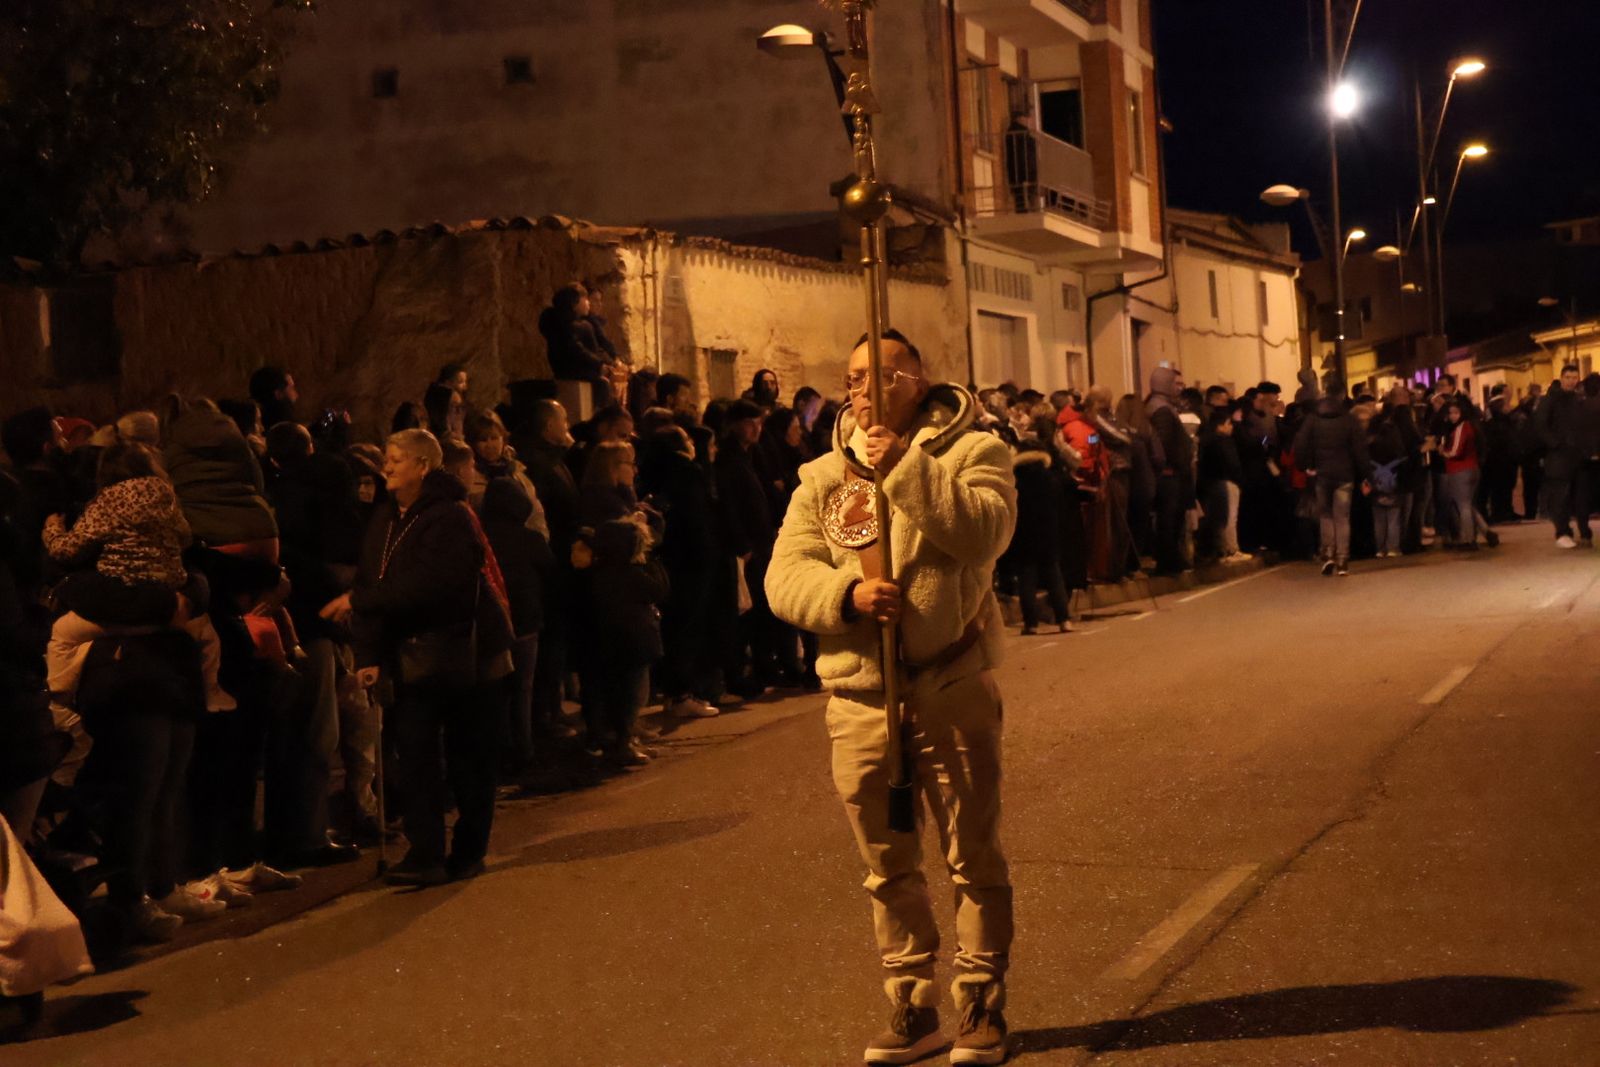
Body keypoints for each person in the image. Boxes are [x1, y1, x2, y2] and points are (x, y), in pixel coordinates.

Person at [767, 329, 1018, 1066]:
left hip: (950, 684)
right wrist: (844, 593)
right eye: (851, 379)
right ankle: (912, 1002)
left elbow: (981, 532)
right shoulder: (821, 477)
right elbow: (783, 575)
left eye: (878, 375)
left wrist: (904, 466)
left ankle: (982, 998)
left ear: (917, 377)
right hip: (859, 698)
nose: (861, 391)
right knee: (886, 864)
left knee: (971, 851)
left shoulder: (976, 452)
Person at [338, 429, 507, 887]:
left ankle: (469, 850)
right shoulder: (386, 519)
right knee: (414, 754)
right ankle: (426, 851)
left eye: (397, 459)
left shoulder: (451, 516)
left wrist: (365, 603)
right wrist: (368, 652)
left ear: (423, 466)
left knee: (468, 756)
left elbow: (434, 585)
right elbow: (371, 584)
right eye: (387, 458)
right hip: (409, 657)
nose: (387, 467)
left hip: (464, 654)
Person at [1294, 386, 1371, 576]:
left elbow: (1301, 443)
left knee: (1325, 516)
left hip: (1321, 475)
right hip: (1345, 475)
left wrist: (1305, 466)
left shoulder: (1312, 420)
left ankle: (1328, 554)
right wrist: (1366, 475)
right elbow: (1359, 450)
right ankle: (1343, 559)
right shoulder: (1349, 420)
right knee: (1342, 518)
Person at [1010, 416, 1071, 634]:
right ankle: (1064, 619)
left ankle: (1031, 624)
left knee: (1027, 579)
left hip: (1023, 533)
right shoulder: (1049, 477)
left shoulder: (1013, 479)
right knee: (1054, 576)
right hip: (1048, 532)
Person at [463, 410, 548, 538]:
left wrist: (539, 540)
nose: (490, 445)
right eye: (483, 439)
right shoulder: (470, 478)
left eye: (494, 438)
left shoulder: (516, 473)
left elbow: (536, 514)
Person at [1146, 367, 1194, 576]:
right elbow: (1164, 442)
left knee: (1173, 519)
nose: (1180, 388)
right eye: (1176, 383)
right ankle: (1168, 561)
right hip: (1169, 474)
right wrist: (1174, 463)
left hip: (1172, 472)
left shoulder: (1163, 407)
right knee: (1169, 519)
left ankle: (1173, 559)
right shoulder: (1161, 410)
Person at [1536, 365, 1590, 548]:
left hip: (1576, 456)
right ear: (1561, 378)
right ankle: (1562, 532)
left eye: (1574, 377)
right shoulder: (1550, 400)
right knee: (1560, 495)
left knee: (1578, 495)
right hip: (1558, 457)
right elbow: (1540, 426)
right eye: (1568, 377)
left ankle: (1579, 532)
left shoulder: (1578, 400)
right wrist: (1555, 443)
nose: (1571, 381)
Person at [1439, 399, 1490, 550]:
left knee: (1463, 506)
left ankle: (1468, 539)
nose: (1453, 416)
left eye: (1456, 412)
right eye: (1450, 413)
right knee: (1468, 505)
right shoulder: (1471, 426)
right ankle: (1485, 532)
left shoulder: (1462, 428)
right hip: (1471, 468)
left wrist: (1443, 452)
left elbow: (1456, 451)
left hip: (1460, 469)